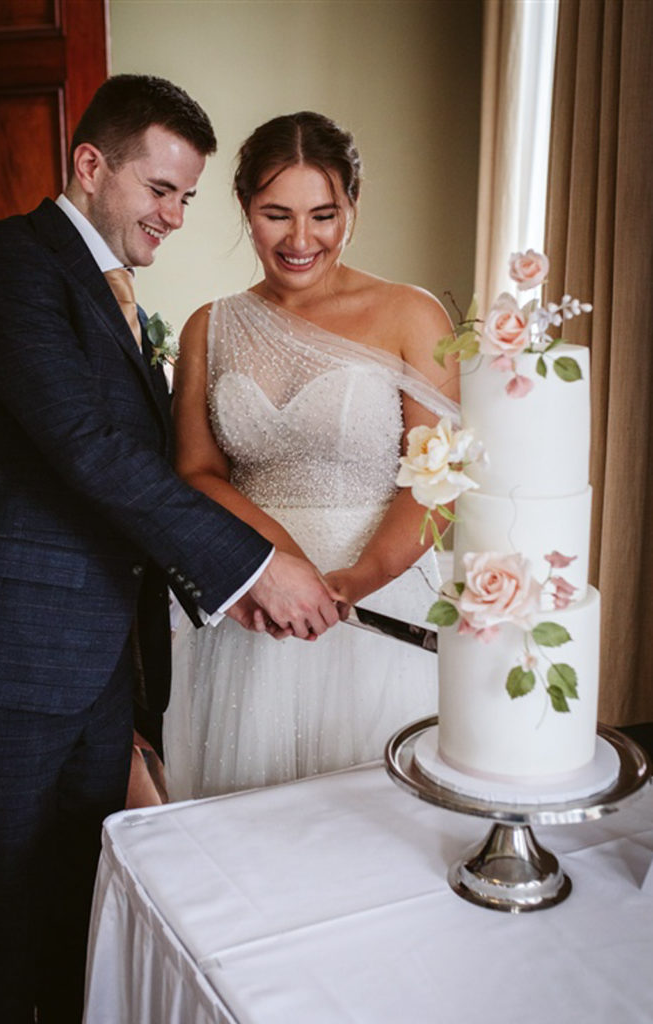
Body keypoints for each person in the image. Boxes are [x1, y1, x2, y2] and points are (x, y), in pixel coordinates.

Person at [0, 79, 340, 1024]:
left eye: (186, 196)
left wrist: (219, 591)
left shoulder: (122, 301)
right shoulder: (7, 265)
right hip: (13, 662)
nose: (176, 215)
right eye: (160, 189)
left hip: (103, 669)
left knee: (77, 900)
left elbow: (137, 480)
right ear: (90, 166)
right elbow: (86, 451)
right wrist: (254, 566)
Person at [164, 111, 460, 800]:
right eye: (276, 214)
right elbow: (197, 471)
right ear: (244, 209)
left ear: (353, 206)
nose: (301, 240)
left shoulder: (410, 315)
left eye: (324, 214)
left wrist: (351, 583)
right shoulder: (210, 326)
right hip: (255, 604)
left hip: (379, 599)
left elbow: (437, 482)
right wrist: (277, 567)